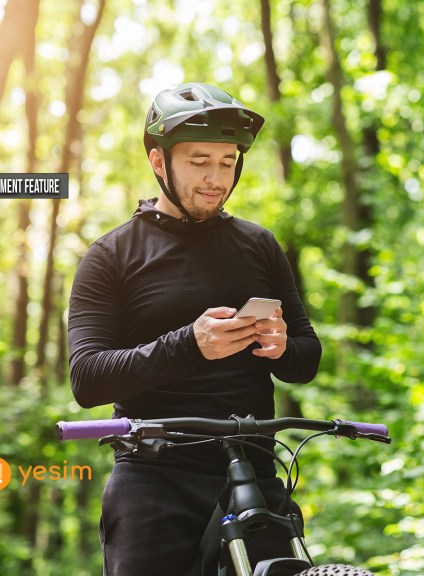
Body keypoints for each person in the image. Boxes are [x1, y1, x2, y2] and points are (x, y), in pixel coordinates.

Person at [67, 82, 322, 576]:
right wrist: (190, 344)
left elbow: (306, 357)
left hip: (255, 469)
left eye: (227, 162)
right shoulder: (111, 256)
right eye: (199, 161)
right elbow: (87, 379)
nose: (215, 178)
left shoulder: (260, 246)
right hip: (154, 476)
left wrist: (282, 348)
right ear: (158, 161)